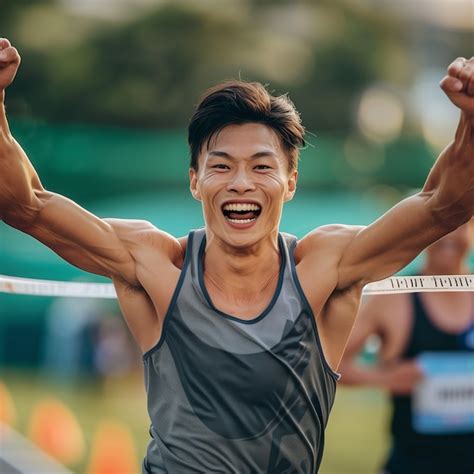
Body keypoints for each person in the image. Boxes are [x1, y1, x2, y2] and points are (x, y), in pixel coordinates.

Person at [0, 37, 472, 473]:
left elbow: (442, 207)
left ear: (290, 182)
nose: (241, 183)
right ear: (194, 181)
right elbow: (27, 205)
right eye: (221, 166)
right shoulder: (155, 265)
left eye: (262, 167)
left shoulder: (326, 268)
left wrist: (470, 121)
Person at [339, 221, 474, 474]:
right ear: (424, 232)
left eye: (460, 224)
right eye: (442, 224)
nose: (450, 235)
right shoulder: (393, 298)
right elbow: (333, 363)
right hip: (412, 464)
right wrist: (385, 377)